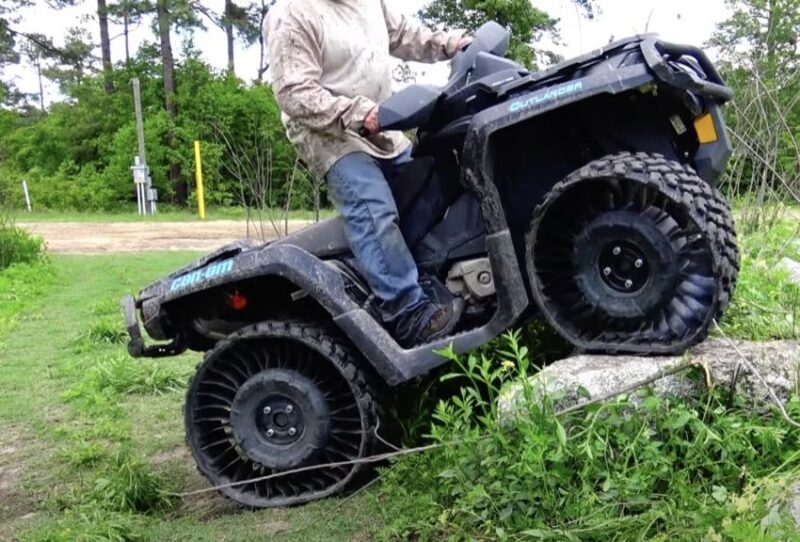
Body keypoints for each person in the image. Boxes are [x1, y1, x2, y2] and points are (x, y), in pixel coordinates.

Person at [266, 0, 470, 347]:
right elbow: (293, 92)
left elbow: (404, 34)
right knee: (373, 208)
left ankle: (410, 274)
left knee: (435, 179)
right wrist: (356, 113)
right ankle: (406, 312)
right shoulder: (294, 12)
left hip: (382, 124)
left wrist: (451, 43)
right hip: (330, 134)